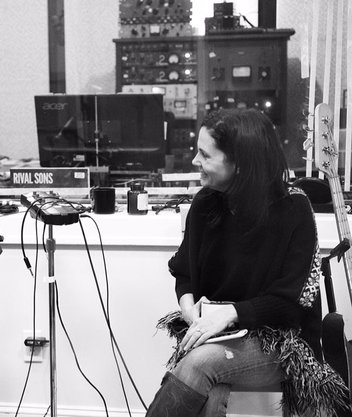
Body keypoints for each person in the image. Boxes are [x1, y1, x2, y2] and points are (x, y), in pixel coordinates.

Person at [146, 108, 349, 417]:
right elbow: (184, 272)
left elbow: (289, 304)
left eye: (205, 154)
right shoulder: (204, 204)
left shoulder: (293, 208)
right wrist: (191, 312)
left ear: (239, 164)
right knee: (208, 393)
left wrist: (229, 313)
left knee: (200, 364)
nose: (194, 161)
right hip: (215, 333)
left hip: (280, 339)